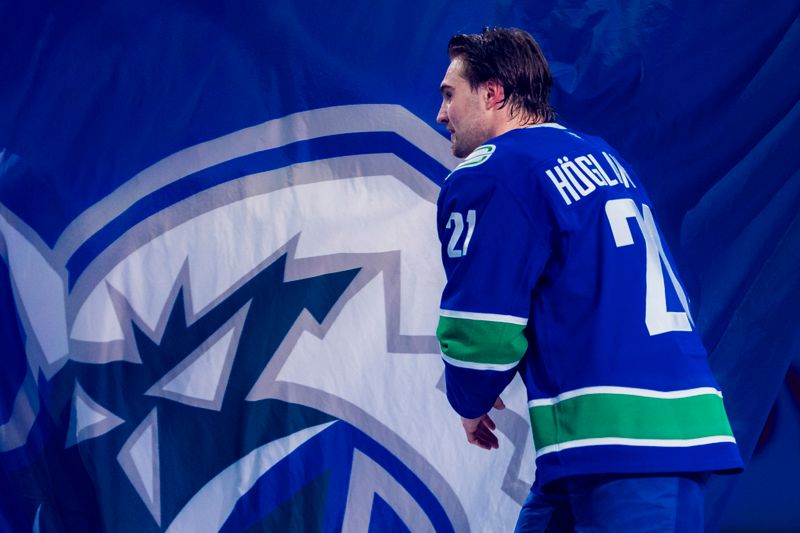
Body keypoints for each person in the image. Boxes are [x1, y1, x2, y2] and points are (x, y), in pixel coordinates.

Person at [434, 27, 743, 532]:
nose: (442, 113)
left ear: (492, 94)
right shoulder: (598, 152)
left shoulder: (493, 170)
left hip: (624, 443)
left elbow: (482, 328)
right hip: (638, 434)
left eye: (450, 95)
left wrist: (468, 397)